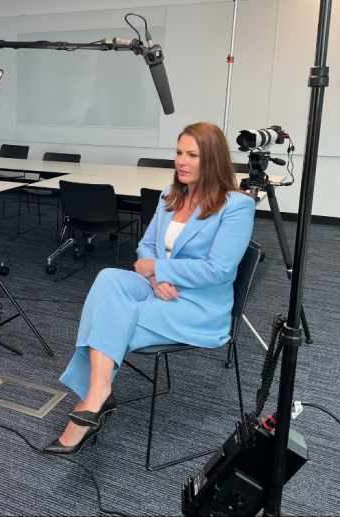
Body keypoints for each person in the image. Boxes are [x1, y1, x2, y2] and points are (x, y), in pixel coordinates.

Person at [44, 122, 255, 455]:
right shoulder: (171, 197)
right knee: (108, 279)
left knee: (111, 317)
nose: (181, 161)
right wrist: (155, 278)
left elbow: (219, 270)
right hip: (159, 287)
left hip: (198, 306)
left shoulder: (237, 205)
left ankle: (91, 401)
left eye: (192, 155)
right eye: (178, 153)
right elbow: (145, 248)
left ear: (212, 160)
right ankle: (99, 391)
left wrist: (158, 268)